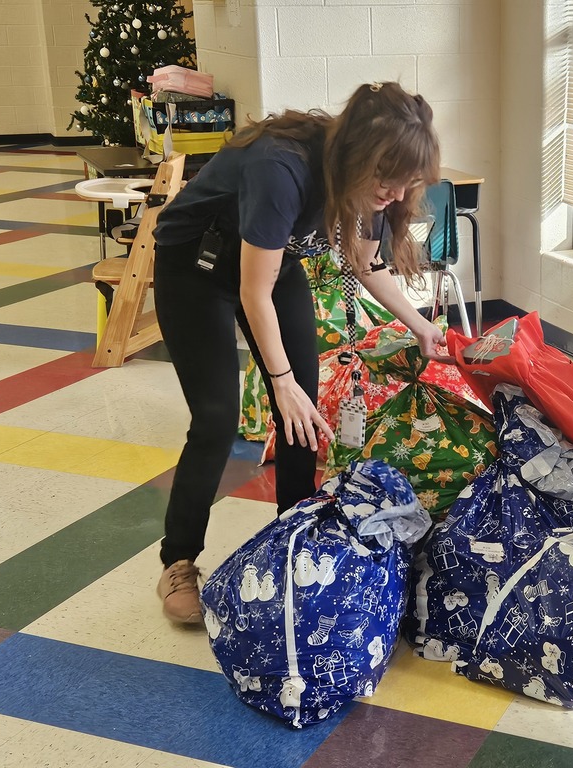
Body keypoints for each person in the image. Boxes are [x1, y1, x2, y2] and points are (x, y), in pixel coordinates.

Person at [151, 82, 445, 623]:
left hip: (268, 267)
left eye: (406, 184)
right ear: (358, 151)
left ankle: (291, 541)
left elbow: (367, 265)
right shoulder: (280, 168)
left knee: (302, 412)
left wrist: (422, 327)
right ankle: (179, 559)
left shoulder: (370, 183)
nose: (396, 195)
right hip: (194, 267)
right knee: (217, 417)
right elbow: (250, 293)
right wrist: (276, 379)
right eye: (389, 180)